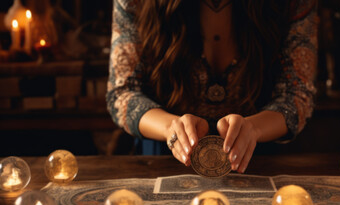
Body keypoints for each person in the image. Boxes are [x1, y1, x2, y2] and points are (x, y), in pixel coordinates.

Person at [107, 0, 318, 173]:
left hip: (259, 161)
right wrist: (171, 127)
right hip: (163, 160)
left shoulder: (292, 4)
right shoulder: (135, 3)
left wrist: (254, 129)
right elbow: (122, 93)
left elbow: (297, 94)